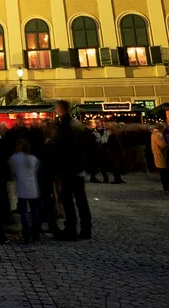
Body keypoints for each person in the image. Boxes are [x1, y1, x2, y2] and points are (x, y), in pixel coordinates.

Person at [53, 100, 92, 240]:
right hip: (77, 166)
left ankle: (71, 229)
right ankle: (86, 229)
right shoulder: (76, 124)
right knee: (81, 199)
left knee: (68, 199)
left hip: (68, 167)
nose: (56, 110)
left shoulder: (65, 125)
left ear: (61, 109)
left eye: (57, 108)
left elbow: (63, 147)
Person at [9, 139, 41, 242]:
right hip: (33, 187)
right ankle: (36, 233)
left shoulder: (15, 158)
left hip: (22, 188)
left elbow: (12, 170)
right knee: (35, 210)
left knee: (23, 212)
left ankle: (26, 233)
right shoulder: (33, 158)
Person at [151, 124, 169, 194]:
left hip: (158, 155)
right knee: (164, 173)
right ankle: (166, 188)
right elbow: (162, 144)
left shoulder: (155, 134)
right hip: (161, 155)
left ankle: (166, 188)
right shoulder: (158, 135)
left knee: (164, 173)